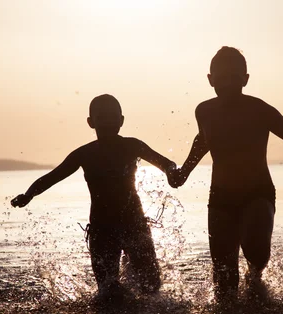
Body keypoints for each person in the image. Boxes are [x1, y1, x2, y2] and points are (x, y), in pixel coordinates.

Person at [169, 46, 283, 303]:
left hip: (257, 193)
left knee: (256, 249)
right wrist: (183, 172)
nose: (228, 83)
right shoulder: (204, 111)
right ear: (210, 80)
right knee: (223, 274)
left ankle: (255, 278)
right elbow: (203, 141)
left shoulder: (259, 109)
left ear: (245, 79)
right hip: (220, 197)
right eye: (221, 78)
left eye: (234, 77)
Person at [11, 94, 177, 299]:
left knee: (151, 285)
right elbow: (52, 177)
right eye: (102, 117)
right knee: (107, 291)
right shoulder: (85, 154)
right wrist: (28, 195)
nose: (108, 121)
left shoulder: (132, 146)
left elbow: (166, 163)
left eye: (112, 117)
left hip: (134, 223)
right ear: (91, 122)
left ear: (121, 120)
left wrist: (172, 172)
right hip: (102, 229)